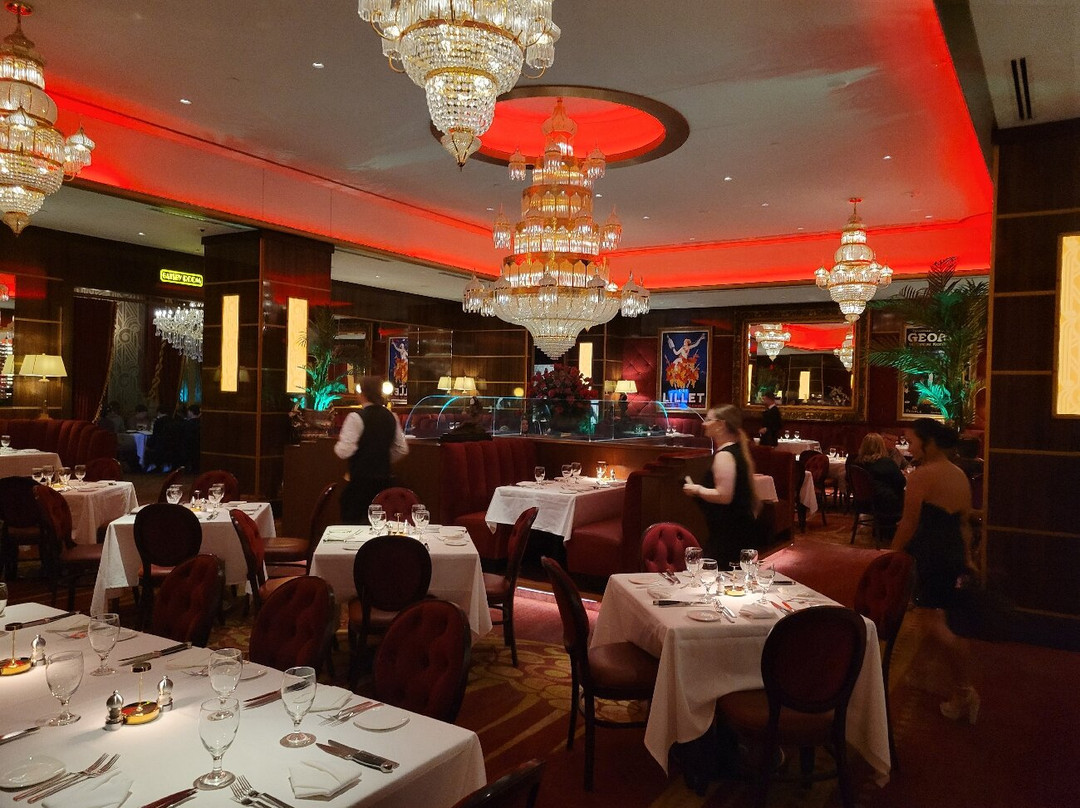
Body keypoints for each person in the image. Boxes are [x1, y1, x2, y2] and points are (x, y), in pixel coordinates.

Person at [891, 418, 978, 724]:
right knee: (938, 617)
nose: (909, 446)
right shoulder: (958, 474)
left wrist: (889, 555)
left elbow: (909, 524)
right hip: (952, 552)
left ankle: (965, 691)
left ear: (928, 443)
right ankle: (923, 672)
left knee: (934, 621)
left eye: (912, 441)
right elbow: (964, 524)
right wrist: (967, 559)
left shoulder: (923, 475)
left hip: (931, 554)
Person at [682, 405, 760, 564]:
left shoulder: (725, 455)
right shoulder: (737, 450)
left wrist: (697, 489)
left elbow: (724, 496)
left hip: (728, 533)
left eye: (709, 420)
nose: (704, 423)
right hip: (738, 529)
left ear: (721, 425)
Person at [333, 375, 408, 524]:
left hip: (359, 484)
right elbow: (402, 449)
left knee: (354, 525)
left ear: (363, 393)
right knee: (381, 524)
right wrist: (382, 457)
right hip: (384, 483)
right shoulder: (391, 416)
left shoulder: (355, 417)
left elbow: (344, 451)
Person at [849, 433, 906, 542]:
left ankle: (881, 531)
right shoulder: (886, 463)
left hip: (861, 503)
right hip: (884, 504)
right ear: (881, 446)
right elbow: (901, 482)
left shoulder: (856, 462)